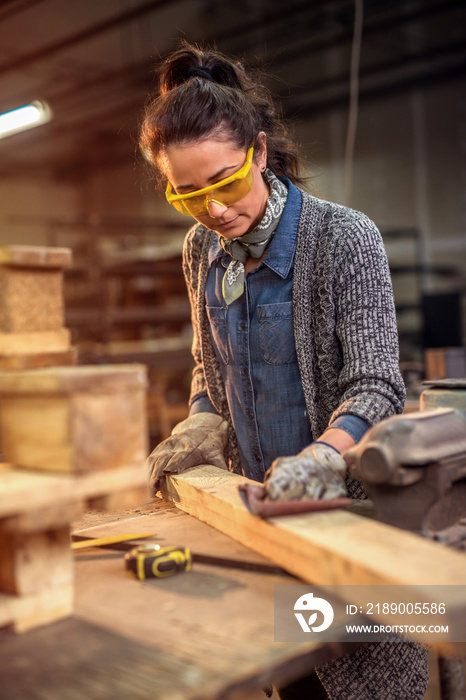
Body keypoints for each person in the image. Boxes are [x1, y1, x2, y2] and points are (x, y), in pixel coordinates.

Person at [140, 41, 428, 700]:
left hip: (350, 531)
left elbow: (378, 382)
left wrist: (324, 458)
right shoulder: (201, 250)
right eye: (188, 195)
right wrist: (199, 427)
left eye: (226, 182)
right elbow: (208, 371)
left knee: (364, 680)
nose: (213, 210)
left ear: (260, 154)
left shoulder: (345, 239)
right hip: (261, 532)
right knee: (291, 681)